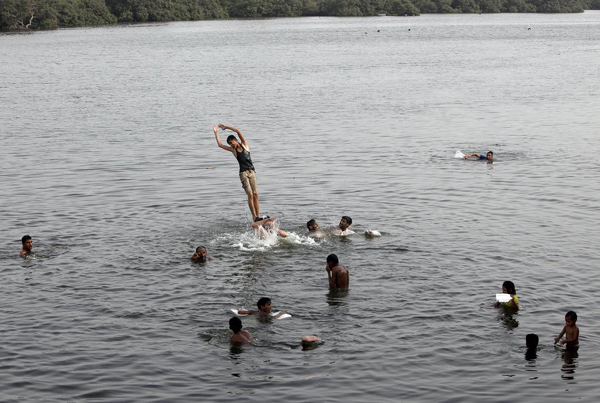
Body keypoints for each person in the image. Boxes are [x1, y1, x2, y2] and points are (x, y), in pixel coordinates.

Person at [213, 123, 260, 220]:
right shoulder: (233, 150)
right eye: (230, 144)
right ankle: (254, 217)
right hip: (243, 174)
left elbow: (238, 131)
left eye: (231, 143)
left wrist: (226, 127)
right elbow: (220, 145)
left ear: (235, 140)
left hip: (252, 172)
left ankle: (258, 216)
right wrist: (216, 133)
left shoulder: (245, 145)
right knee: (250, 194)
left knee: (256, 194)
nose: (231, 145)